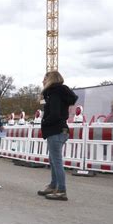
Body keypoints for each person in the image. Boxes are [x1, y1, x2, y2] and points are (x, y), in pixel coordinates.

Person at [37, 71, 78, 201]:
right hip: (62, 129)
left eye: (44, 79)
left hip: (55, 130)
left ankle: (61, 189)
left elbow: (54, 114)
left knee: (56, 161)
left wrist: (44, 122)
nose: (42, 81)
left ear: (50, 79)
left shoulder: (54, 93)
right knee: (54, 160)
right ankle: (54, 185)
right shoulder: (59, 93)